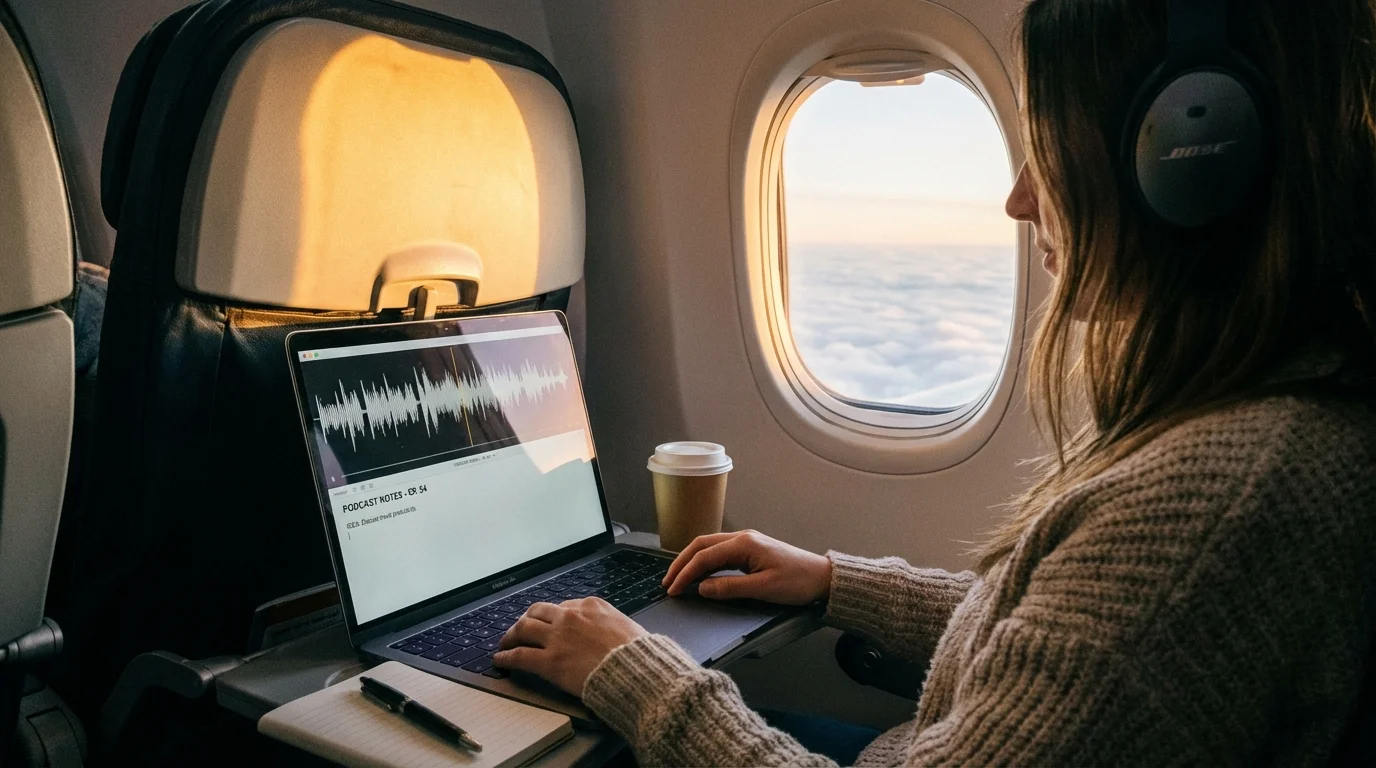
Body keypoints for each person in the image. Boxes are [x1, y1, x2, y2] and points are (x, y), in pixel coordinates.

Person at [494, 0, 1376, 763]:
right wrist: (836, 580)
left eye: (1049, 150)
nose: (1021, 199)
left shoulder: (1216, 502)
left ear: (1194, 154)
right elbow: (1070, 648)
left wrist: (640, 679)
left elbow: (1118, 632)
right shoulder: (1270, 433)